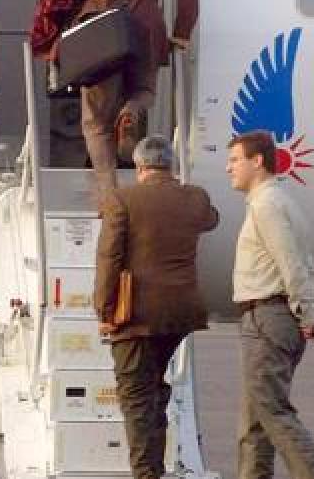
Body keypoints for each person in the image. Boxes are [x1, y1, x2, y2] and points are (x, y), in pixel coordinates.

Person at [94, 135, 219, 479]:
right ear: (170, 164)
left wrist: (104, 311)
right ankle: (154, 466)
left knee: (134, 396)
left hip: (136, 314)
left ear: (139, 166)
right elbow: (211, 219)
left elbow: (109, 258)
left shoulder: (122, 200)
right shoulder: (195, 199)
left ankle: (146, 473)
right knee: (152, 387)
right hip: (181, 312)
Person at [66, 0, 198, 199]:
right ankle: (133, 111)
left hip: (105, 36)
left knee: (95, 122)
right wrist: (180, 35)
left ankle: (110, 196)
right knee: (144, 91)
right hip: (147, 32)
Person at [226, 130, 314, 479]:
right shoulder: (282, 203)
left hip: (267, 316)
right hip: (269, 317)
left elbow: (291, 264)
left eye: (234, 160)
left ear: (257, 161)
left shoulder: (267, 206)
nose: (229, 169)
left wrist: (306, 313)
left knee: (272, 412)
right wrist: (308, 310)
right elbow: (307, 265)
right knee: (255, 422)